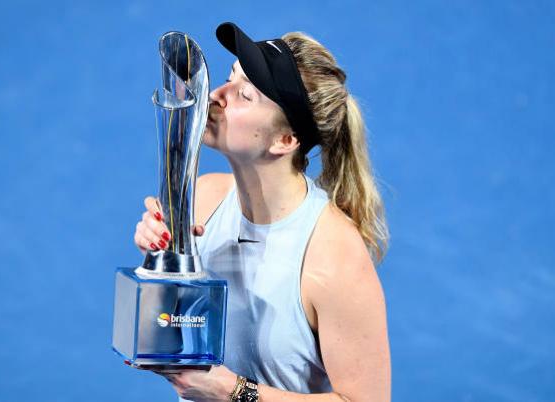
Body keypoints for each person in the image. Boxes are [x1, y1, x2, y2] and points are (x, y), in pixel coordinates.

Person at [132, 22, 391, 402]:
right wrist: (160, 263)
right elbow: (175, 334)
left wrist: (233, 391)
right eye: (228, 78)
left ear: (285, 140)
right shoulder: (204, 199)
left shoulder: (334, 257)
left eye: (245, 95)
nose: (216, 95)